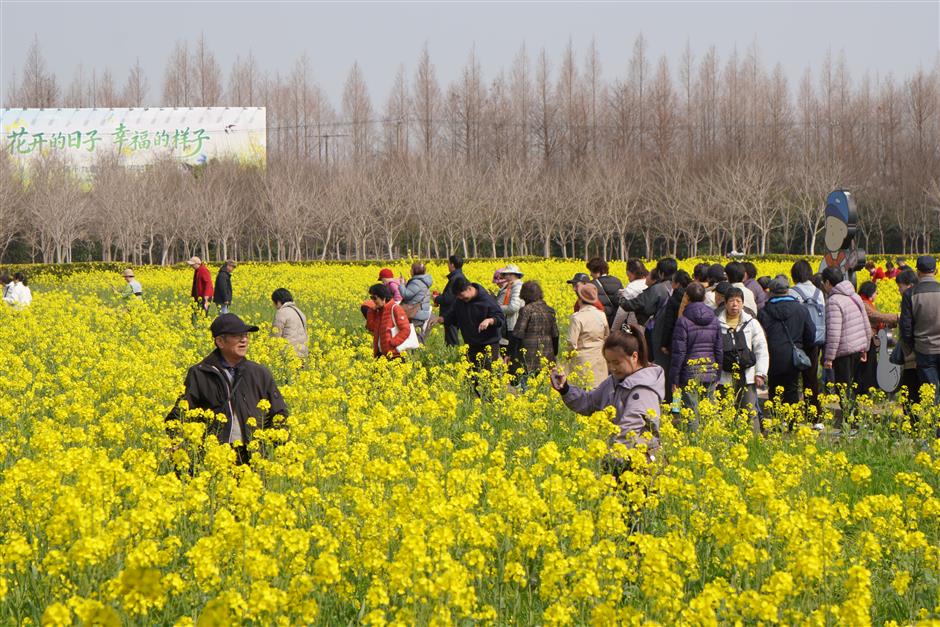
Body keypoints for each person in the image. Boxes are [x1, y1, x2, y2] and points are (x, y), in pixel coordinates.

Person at [166, 313, 288, 465]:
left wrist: (282, 452)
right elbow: (181, 412)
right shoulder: (200, 373)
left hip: (252, 457)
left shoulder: (259, 373)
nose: (244, 340)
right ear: (220, 341)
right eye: (237, 336)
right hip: (214, 458)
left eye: (245, 335)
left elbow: (279, 414)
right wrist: (175, 439)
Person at [551, 326, 665, 479]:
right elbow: (590, 402)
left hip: (638, 467)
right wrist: (565, 388)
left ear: (634, 357)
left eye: (616, 362)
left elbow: (628, 430)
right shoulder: (614, 381)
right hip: (619, 460)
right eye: (608, 362)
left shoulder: (643, 390)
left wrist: (608, 460)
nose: (611, 368)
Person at [758, 277, 816, 410]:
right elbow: (810, 335)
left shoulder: (763, 312)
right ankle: (792, 423)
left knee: (774, 389)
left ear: (770, 292)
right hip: (793, 357)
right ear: (788, 291)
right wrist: (801, 347)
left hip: (772, 356)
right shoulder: (801, 309)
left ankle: (778, 420)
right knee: (791, 389)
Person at [717, 287, 769, 431]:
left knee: (750, 412)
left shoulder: (751, 323)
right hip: (724, 376)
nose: (735, 305)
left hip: (747, 375)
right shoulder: (716, 323)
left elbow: (761, 348)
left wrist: (760, 372)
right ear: (725, 303)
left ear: (743, 304)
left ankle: (754, 445)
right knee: (725, 413)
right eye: (731, 301)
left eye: (738, 301)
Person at [670, 282, 722, 419]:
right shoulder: (714, 319)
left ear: (686, 297)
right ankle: (710, 439)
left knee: (691, 413)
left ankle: (694, 440)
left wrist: (674, 378)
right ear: (704, 297)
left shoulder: (683, 321)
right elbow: (718, 349)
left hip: (690, 373)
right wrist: (718, 372)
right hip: (710, 370)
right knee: (709, 413)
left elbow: (679, 352)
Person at [821, 266, 872, 406]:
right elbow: (865, 323)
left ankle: (850, 422)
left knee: (843, 389)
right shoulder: (854, 296)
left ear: (827, 282)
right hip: (857, 350)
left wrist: (829, 357)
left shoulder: (833, 301)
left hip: (843, 352)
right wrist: (865, 348)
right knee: (851, 388)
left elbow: (834, 332)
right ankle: (854, 421)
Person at [437, 276, 506, 374]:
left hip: (488, 345)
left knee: (488, 377)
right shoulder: (460, 300)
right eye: (458, 297)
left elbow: (500, 318)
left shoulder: (487, 300)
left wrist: (489, 320)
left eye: (461, 295)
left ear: (469, 289)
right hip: (470, 344)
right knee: (471, 377)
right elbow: (453, 314)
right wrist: (442, 318)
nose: (461, 298)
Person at [900, 255, 940, 403]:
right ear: (935, 271)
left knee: (930, 393)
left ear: (918, 272)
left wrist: (912, 348)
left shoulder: (910, 294)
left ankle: (933, 424)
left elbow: (906, 327)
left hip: (924, 350)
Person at [789, 259, 826, 412]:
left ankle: (794, 412)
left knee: (793, 378)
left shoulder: (792, 292)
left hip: (797, 341)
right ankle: (814, 413)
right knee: (811, 378)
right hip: (815, 340)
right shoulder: (819, 293)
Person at [512, 281, 559, 386]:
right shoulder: (550, 310)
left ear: (524, 295)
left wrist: (512, 355)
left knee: (527, 388)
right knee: (543, 389)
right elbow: (555, 335)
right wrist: (554, 354)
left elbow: (518, 334)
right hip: (547, 357)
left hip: (529, 358)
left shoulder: (526, 310)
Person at [856, 280, 898, 393]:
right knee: (867, 367)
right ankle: (865, 390)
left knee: (870, 365)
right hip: (866, 340)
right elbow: (877, 316)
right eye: (875, 292)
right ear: (870, 292)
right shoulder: (864, 304)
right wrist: (897, 317)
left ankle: (868, 389)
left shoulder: (866, 302)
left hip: (870, 340)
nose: (877, 295)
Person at [567, 283, 610, 388]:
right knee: (598, 389)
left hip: (582, 359)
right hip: (600, 357)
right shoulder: (601, 315)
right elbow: (606, 336)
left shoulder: (577, 317)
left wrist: (567, 356)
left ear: (580, 299)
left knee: (582, 391)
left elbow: (572, 343)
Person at [618, 258, 677, 326]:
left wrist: (621, 298)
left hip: (660, 327)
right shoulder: (678, 285)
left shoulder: (657, 289)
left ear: (661, 274)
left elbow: (637, 304)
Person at [362, 283, 411, 359]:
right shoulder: (378, 311)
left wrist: (393, 343)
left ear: (383, 297)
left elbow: (406, 329)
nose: (373, 301)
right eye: (371, 297)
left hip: (394, 355)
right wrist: (371, 311)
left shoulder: (395, 308)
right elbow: (371, 328)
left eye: (375, 298)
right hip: (380, 354)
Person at [895, 269, 921, 404]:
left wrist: (909, 346)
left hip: (913, 352)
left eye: (900, 286)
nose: (899, 290)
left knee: (910, 384)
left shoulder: (909, 298)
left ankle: (911, 416)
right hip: (928, 349)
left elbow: (907, 327)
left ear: (909, 285)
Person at [434, 255, 466, 347]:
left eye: (448, 263)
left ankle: (454, 358)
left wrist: (437, 298)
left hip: (451, 314)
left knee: (452, 341)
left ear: (452, 264)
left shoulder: (455, 279)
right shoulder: (459, 276)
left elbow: (448, 298)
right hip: (455, 312)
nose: (447, 265)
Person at [496, 264, 525, 362]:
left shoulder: (517, 286)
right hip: (510, 324)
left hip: (514, 324)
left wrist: (498, 308)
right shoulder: (512, 285)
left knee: (513, 354)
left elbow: (513, 307)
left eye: (506, 274)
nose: (505, 277)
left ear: (513, 274)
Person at [271, 288, 308, 360]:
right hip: (302, 354)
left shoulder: (281, 312)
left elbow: (275, 335)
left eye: (274, 303)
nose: (274, 306)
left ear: (278, 302)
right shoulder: (300, 312)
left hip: (289, 355)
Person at [399, 262, 433, 336]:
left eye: (411, 269)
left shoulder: (416, 282)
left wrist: (401, 284)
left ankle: (419, 347)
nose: (410, 271)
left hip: (415, 313)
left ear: (415, 271)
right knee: (417, 335)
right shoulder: (423, 281)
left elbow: (406, 295)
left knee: (414, 336)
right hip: (420, 312)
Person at [587, 257, 623, 328]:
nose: (590, 274)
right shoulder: (617, 281)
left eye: (591, 271)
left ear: (597, 271)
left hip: (600, 323)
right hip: (616, 322)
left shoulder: (591, 285)